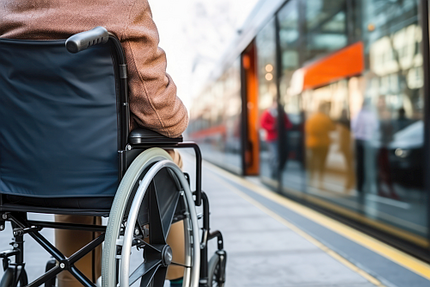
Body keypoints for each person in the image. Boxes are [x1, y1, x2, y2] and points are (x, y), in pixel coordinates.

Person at [0, 1, 187, 286]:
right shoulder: (124, 6)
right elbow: (159, 112)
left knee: (71, 177)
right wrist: (180, 118)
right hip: (103, 171)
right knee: (168, 161)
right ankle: (178, 278)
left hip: (21, 170)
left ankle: (72, 278)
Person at [305, 102, 335, 189]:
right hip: (324, 144)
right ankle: (320, 182)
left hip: (313, 143)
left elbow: (308, 129)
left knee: (313, 163)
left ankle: (310, 180)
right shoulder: (325, 118)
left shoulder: (312, 118)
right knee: (322, 163)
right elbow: (332, 128)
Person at [260, 99, 292, 179]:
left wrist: (285, 128)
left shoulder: (281, 113)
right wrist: (272, 127)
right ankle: (274, 170)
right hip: (271, 138)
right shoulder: (268, 112)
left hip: (280, 138)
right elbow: (262, 124)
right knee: (274, 154)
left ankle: (278, 170)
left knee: (279, 154)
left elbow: (288, 123)